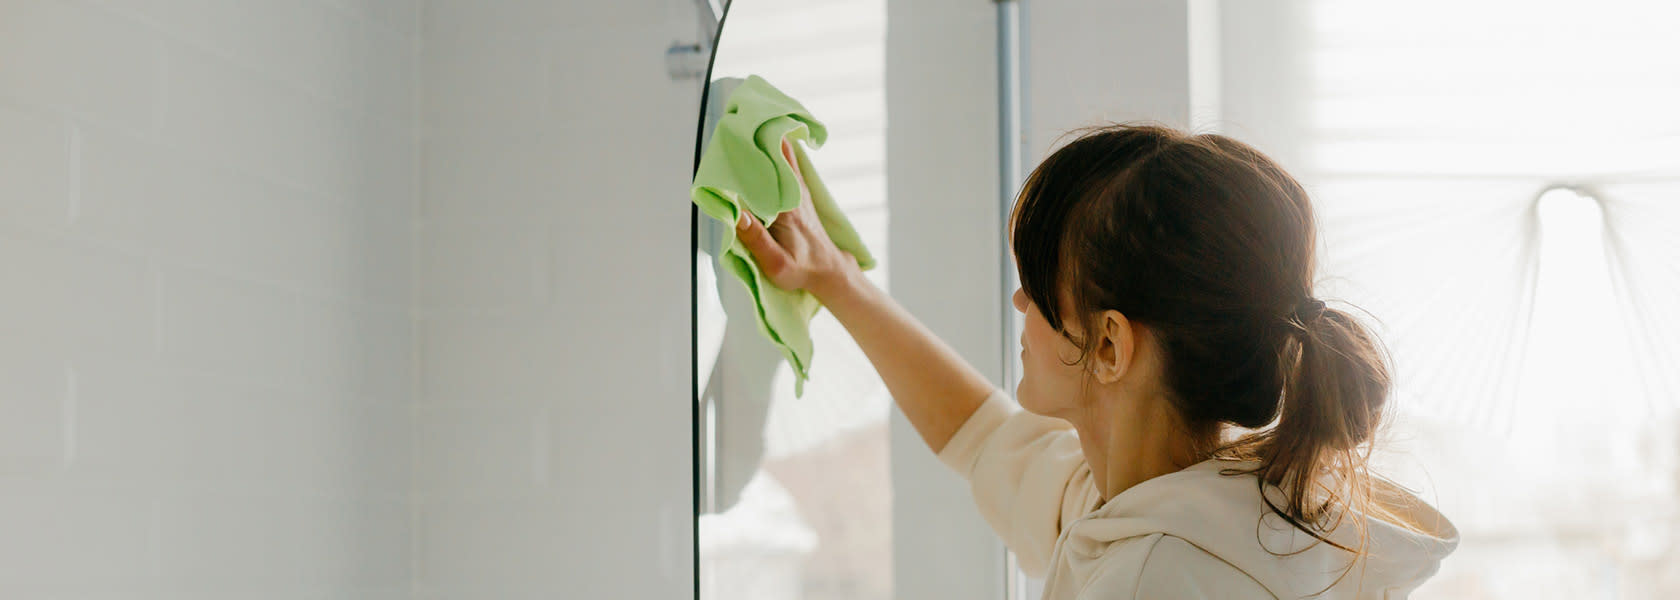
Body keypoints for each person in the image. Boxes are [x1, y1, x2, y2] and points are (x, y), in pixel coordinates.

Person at [734, 123, 1458, 599]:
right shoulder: (1203, 507)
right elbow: (983, 436)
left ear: (1109, 346)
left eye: (1039, 286)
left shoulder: (1151, 577)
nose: (1020, 301)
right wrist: (837, 281)